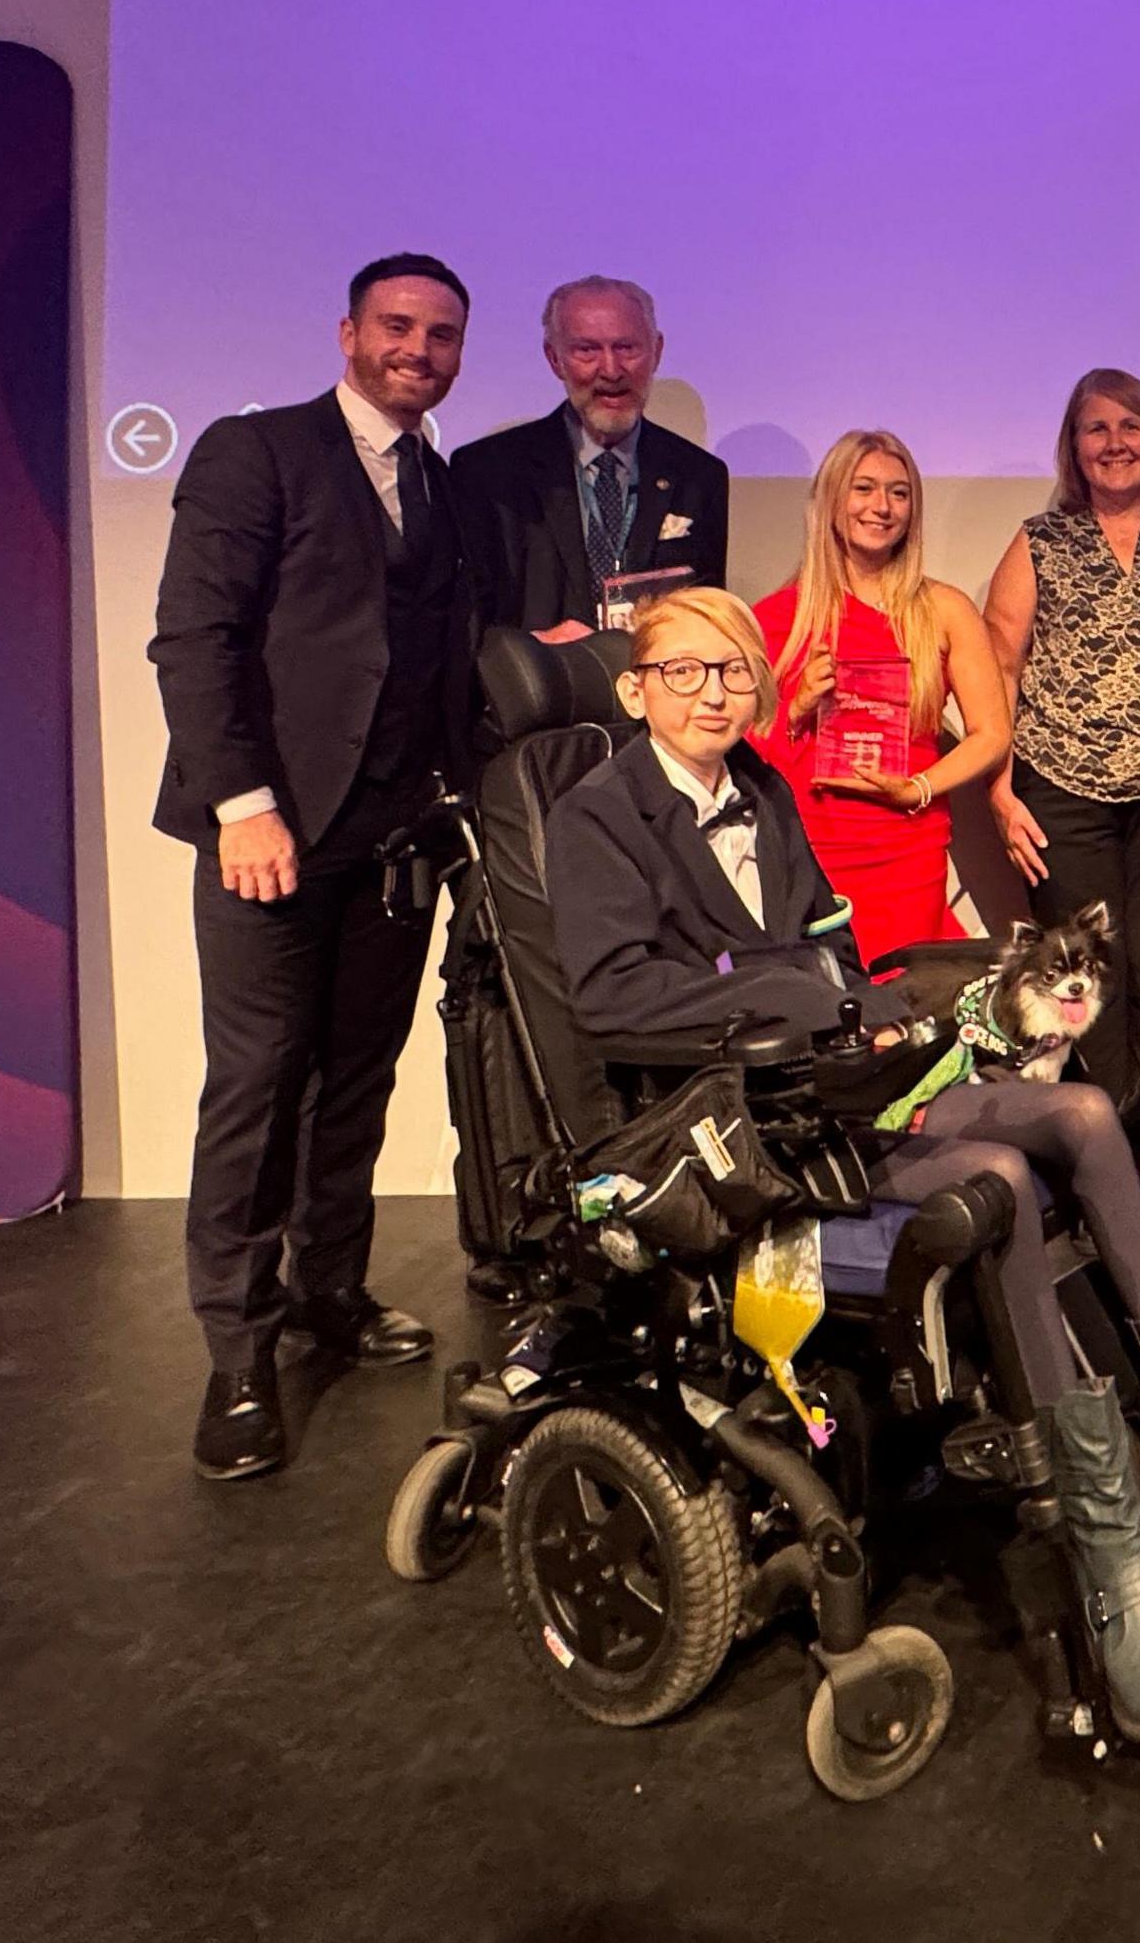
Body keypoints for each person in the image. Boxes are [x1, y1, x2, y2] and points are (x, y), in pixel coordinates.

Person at [548, 588, 1140, 1747]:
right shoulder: (599, 814)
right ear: (637, 689)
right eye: (687, 673)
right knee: (993, 1169)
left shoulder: (762, 791)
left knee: (1092, 1111)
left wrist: (876, 1009)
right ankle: (1108, 1565)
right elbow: (610, 1001)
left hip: (835, 1086)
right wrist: (797, 994)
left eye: (734, 673)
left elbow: (828, 941)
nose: (713, 693)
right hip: (733, 1131)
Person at [147, 253, 476, 1480]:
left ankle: (329, 1288)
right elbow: (195, 640)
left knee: (358, 1079)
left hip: (394, 843)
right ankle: (238, 1355)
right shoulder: (257, 452)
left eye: (441, 334)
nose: (418, 350)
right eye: (397, 326)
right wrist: (243, 806)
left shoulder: (437, 483)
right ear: (348, 333)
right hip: (268, 838)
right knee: (258, 1082)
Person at [982, 370, 1140, 1104]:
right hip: (1060, 794)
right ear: (1073, 447)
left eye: (1131, 426)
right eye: (1097, 428)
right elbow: (999, 663)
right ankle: (1096, 1158)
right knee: (1080, 987)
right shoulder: (1041, 540)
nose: (1115, 443)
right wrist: (997, 788)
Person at [751, 431, 1013, 959]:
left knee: (906, 1004)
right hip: (810, 847)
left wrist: (917, 789)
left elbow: (992, 734)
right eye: (863, 488)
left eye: (899, 492)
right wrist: (798, 706)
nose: (882, 506)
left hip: (905, 845)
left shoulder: (944, 609)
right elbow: (742, 753)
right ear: (831, 501)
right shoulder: (778, 617)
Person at [453, 274, 732, 637]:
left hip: (654, 688)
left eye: (627, 348)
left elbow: (708, 618)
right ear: (554, 359)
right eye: (587, 350)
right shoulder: (487, 473)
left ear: (657, 351)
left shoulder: (700, 476)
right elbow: (471, 625)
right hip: (537, 688)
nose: (611, 370)